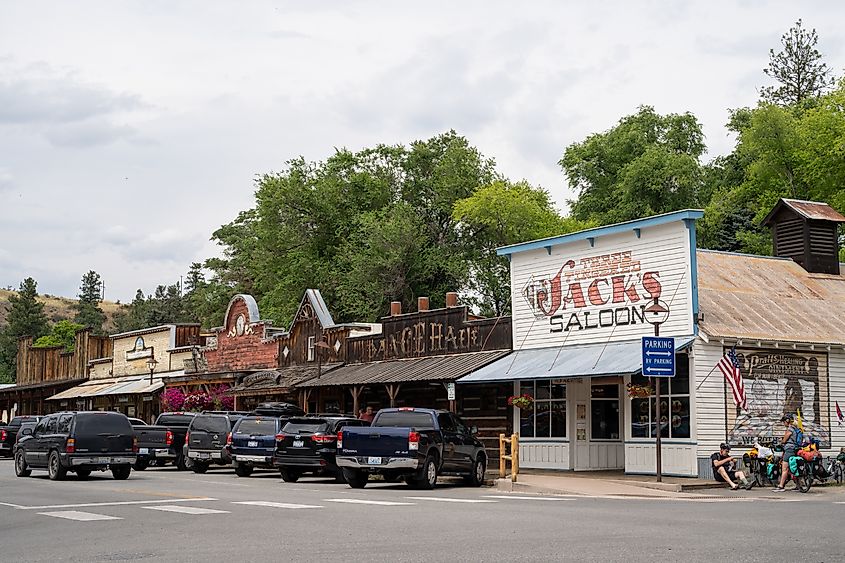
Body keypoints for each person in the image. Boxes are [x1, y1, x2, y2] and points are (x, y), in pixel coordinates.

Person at [772, 413, 800, 492]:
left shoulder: (790, 429)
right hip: (795, 448)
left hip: (789, 449)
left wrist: (781, 441)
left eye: (784, 421)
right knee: (792, 468)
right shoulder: (795, 428)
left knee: (785, 468)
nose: (783, 423)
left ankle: (781, 486)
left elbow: (785, 440)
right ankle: (798, 485)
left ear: (787, 421)